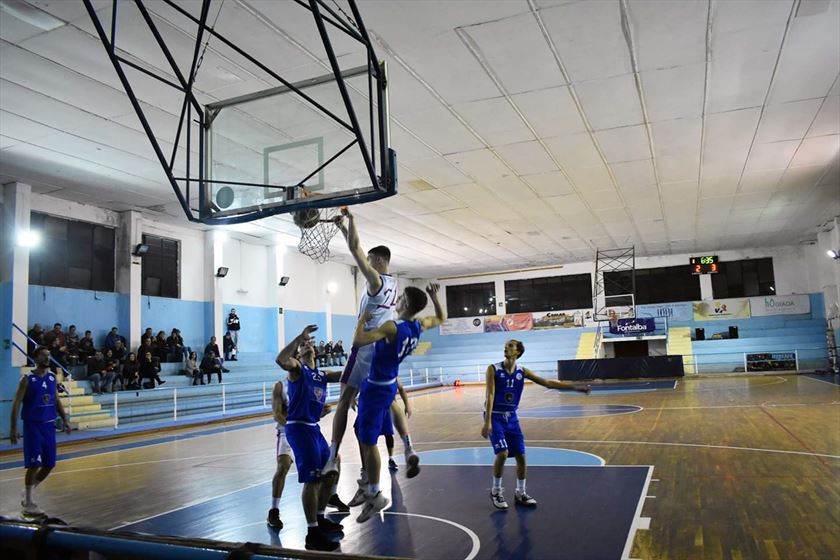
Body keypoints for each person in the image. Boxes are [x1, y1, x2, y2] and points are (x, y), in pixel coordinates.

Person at [323, 208, 417, 486]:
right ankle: (409, 446)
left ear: (377, 260)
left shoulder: (376, 281)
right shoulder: (393, 283)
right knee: (390, 400)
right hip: (383, 350)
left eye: (370, 259)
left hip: (365, 348)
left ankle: (332, 456)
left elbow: (355, 247)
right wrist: (341, 227)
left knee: (343, 399)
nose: (367, 262)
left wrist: (350, 221)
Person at [352, 283, 446, 522]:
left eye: (401, 296)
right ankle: (409, 446)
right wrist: (435, 298)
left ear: (404, 303)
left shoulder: (391, 327)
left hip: (375, 386)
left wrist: (362, 319)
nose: (398, 299)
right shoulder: (418, 325)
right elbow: (442, 318)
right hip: (391, 381)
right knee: (392, 406)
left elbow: (358, 340)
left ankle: (374, 494)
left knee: (368, 441)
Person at [481, 340, 591, 510]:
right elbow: (490, 394)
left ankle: (521, 493)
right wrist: (487, 421)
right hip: (495, 416)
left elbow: (547, 383)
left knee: (521, 456)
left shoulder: (521, 371)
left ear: (518, 352)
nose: (506, 347)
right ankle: (496, 491)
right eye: (505, 345)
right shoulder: (493, 369)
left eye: (510, 346)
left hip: (512, 417)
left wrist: (575, 387)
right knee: (503, 453)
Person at [276, 325, 345, 551]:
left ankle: (320, 516)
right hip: (298, 428)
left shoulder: (321, 375)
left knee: (332, 468)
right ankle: (312, 533)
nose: (309, 346)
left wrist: (366, 357)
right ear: (299, 353)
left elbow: (348, 374)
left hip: (313, 428)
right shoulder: (297, 370)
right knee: (312, 479)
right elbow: (281, 359)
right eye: (304, 346)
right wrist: (299, 337)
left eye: (310, 344)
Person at [10, 346, 72, 516]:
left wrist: (65, 419)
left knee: (49, 464)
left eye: (49, 356)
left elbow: (56, 399)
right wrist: (14, 427)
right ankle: (29, 503)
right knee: (34, 463)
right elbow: (16, 403)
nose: (47, 359)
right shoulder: (27, 379)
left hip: (49, 425)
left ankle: (28, 491)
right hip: (33, 425)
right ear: (36, 358)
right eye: (44, 356)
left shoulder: (52, 377)